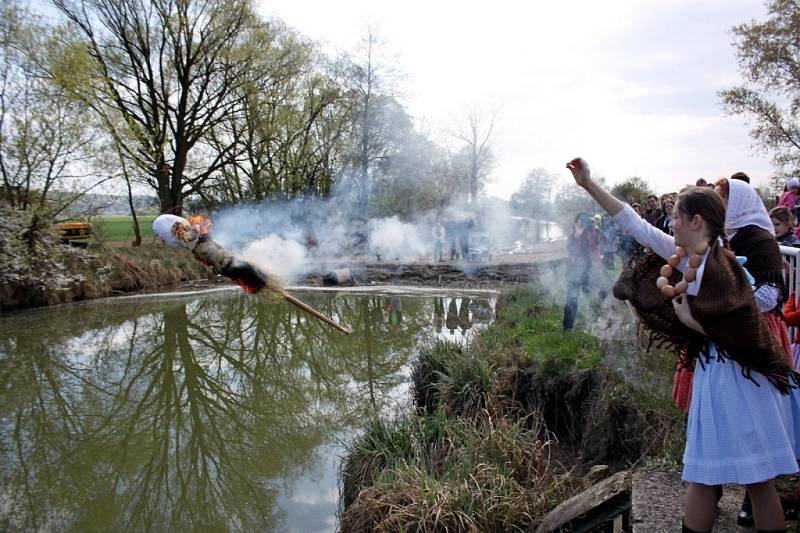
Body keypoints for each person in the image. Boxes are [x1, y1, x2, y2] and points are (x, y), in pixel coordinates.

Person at [567, 156, 800, 533]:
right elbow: (635, 224)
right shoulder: (698, 255)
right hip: (724, 373)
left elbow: (737, 321)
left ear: (697, 222)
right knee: (744, 479)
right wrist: (589, 185)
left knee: (721, 477)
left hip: (736, 378)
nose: (670, 222)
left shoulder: (720, 265)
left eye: (677, 216)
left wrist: (694, 322)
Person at [562, 212, 595, 330]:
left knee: (591, 294)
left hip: (587, 270)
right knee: (572, 299)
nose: (583, 222)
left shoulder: (590, 233)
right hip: (573, 272)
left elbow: (597, 244)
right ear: (576, 222)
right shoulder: (572, 236)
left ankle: (591, 318)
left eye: (586, 220)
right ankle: (567, 328)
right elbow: (571, 250)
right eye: (581, 220)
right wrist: (577, 236)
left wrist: (593, 229)